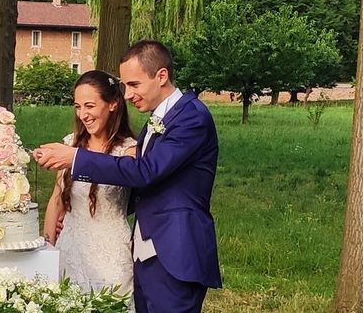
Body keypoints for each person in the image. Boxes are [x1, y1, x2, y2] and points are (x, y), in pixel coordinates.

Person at [35, 41, 222, 313]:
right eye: (124, 85)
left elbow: (146, 171)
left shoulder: (191, 117)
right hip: (144, 254)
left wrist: (75, 158)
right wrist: (82, 216)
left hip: (175, 253)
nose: (126, 94)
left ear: (161, 76)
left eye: (133, 85)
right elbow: (145, 189)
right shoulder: (157, 121)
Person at [43, 70, 137, 297]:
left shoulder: (128, 150)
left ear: (113, 104)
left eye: (90, 106)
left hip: (110, 253)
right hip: (70, 247)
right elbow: (57, 199)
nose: (83, 114)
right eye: (77, 106)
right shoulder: (71, 144)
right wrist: (48, 248)